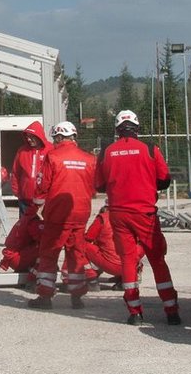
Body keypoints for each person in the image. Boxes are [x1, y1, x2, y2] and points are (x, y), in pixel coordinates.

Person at [96, 109, 181, 327]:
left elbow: (99, 185)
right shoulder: (150, 148)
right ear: (137, 128)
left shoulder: (107, 151)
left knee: (128, 260)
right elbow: (164, 179)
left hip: (118, 213)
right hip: (145, 213)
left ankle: (135, 312)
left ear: (117, 129)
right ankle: (171, 311)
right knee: (157, 259)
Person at [28, 121, 96, 310]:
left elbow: (43, 186)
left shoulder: (53, 156)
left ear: (58, 136)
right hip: (81, 213)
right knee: (76, 254)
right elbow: (93, 187)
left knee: (49, 254)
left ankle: (45, 296)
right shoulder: (89, 159)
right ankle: (77, 296)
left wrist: (35, 207)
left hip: (58, 214)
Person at [0, 122, 49, 283]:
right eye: (27, 136)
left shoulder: (50, 151)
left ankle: (46, 265)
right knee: (25, 235)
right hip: (26, 201)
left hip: (45, 202)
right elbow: (16, 173)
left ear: (39, 136)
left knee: (45, 235)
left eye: (32, 137)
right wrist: (18, 193)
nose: (30, 139)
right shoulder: (22, 151)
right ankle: (29, 265)